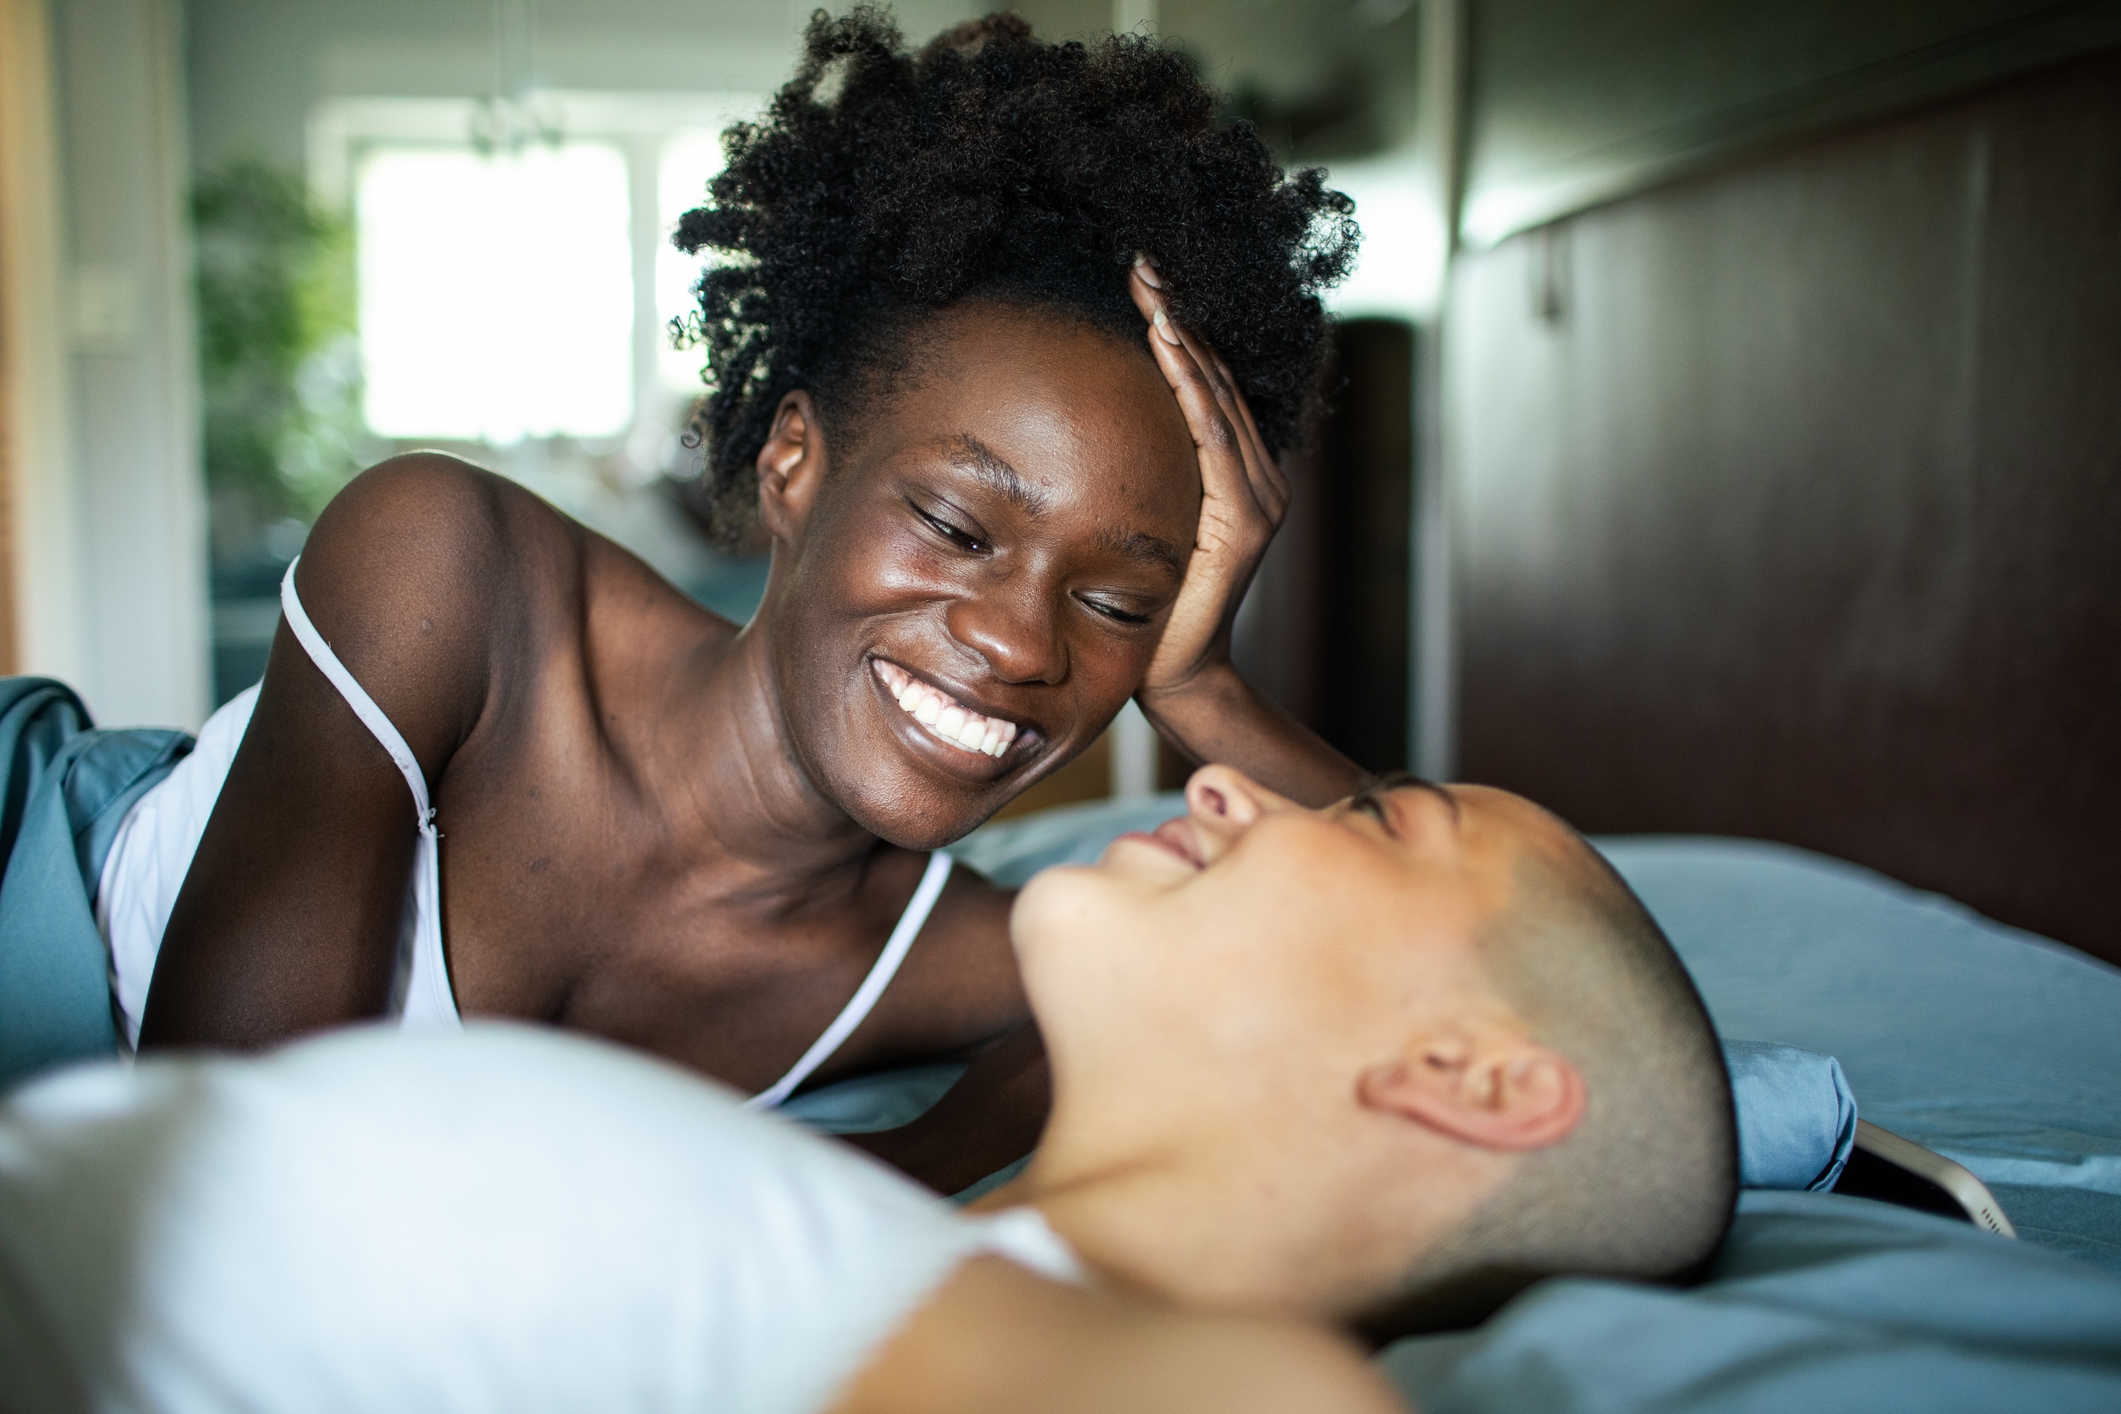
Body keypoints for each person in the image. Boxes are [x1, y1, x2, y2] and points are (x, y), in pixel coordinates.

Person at [0, 10, 1367, 1190]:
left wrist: (1205, 692)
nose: (1017, 641)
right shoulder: (444, 567)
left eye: (1122, 603)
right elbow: (210, 1191)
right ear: (790, 463)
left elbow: (1496, 958)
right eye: (954, 524)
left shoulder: (945, 962)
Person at [0, 768, 1739, 1412]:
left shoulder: (1221, 1380)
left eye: (1372, 818)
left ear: (1467, 1072)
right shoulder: (900, 1244)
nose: (1226, 781)